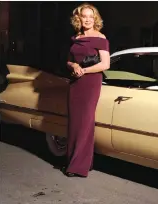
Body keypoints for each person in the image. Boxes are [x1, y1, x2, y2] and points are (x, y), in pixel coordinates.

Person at [63, 3, 110, 178]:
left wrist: (85, 70)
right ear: (79, 18)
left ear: (95, 19)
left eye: (91, 16)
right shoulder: (75, 38)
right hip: (75, 82)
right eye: (85, 16)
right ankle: (81, 162)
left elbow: (105, 64)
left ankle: (77, 166)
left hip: (91, 82)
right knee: (76, 122)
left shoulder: (101, 38)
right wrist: (74, 65)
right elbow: (68, 60)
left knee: (85, 121)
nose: (88, 19)